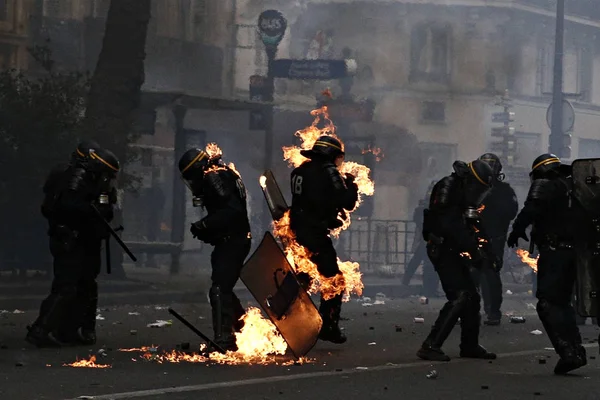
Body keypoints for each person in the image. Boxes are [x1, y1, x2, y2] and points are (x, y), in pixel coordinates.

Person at [27, 142, 119, 347]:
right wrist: (92, 209)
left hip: (86, 241)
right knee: (66, 287)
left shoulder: (94, 183)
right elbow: (68, 208)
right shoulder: (74, 181)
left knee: (86, 287)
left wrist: (103, 204)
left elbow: (105, 211)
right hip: (70, 240)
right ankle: (40, 330)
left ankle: (71, 330)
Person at [507, 153, 587, 374]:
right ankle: (577, 351)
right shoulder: (575, 187)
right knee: (562, 303)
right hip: (576, 253)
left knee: (548, 303)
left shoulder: (545, 184)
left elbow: (532, 208)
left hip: (555, 252)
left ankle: (568, 353)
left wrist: (517, 229)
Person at [417, 159, 497, 362]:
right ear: (470, 181)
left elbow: (475, 223)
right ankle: (430, 345)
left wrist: (489, 251)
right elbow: (450, 226)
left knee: (472, 296)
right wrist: (475, 252)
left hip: (455, 249)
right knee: (460, 295)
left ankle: (469, 346)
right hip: (442, 248)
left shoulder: (466, 193)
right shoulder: (448, 187)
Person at [178, 147, 251, 351]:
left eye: (191, 177)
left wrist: (205, 224)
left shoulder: (213, 177)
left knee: (219, 289)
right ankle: (243, 325)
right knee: (222, 286)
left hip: (233, 240)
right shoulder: (223, 172)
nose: (192, 183)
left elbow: (231, 212)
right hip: (234, 239)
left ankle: (224, 338)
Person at [289, 135, 358, 344]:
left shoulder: (300, 170)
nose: (338, 162)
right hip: (314, 233)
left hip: (296, 231)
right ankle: (328, 326)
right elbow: (346, 202)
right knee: (335, 279)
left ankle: (291, 320)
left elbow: (314, 198)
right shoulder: (328, 171)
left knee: (304, 278)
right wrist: (351, 185)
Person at [474, 153, 518, 325]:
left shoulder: (504, 191)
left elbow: (510, 212)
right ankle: (468, 311)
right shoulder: (471, 188)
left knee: (489, 275)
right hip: (471, 238)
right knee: (472, 275)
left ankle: (492, 312)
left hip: (493, 239)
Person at [402, 182, 440, 297]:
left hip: (431, 239)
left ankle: (407, 283)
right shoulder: (428, 205)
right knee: (428, 264)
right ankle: (428, 289)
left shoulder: (430, 204)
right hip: (429, 239)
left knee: (423, 262)